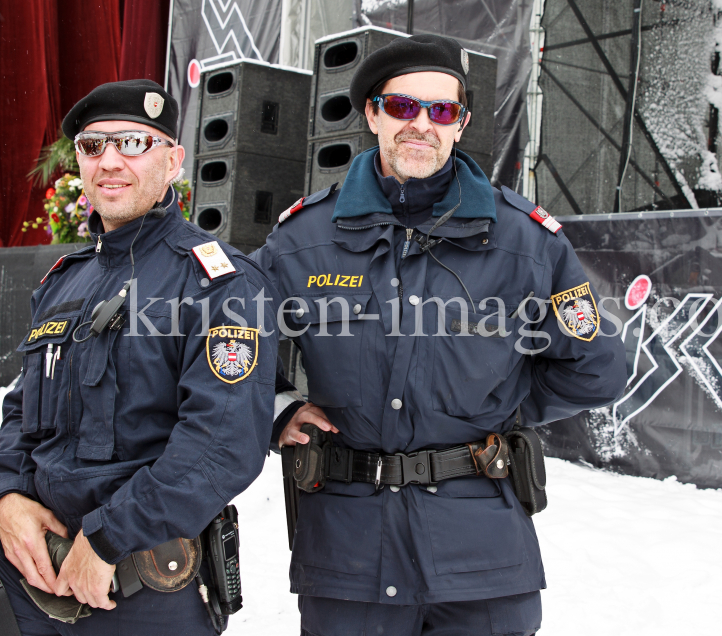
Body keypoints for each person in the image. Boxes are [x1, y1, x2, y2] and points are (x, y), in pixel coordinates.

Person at [252, 35, 629, 635]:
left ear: (462, 123)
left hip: (481, 562)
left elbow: (598, 366)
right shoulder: (301, 240)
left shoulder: (526, 242)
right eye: (402, 107)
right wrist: (277, 408)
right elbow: (229, 346)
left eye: (442, 111)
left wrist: (503, 406)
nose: (421, 125)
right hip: (349, 560)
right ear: (372, 114)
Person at [0, 79, 277, 635]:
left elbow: (221, 445)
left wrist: (108, 537)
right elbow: (20, 412)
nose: (110, 161)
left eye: (133, 143)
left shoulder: (218, 282)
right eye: (93, 147)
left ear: (173, 161)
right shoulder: (64, 282)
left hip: (141, 573)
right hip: (38, 565)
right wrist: (5, 495)